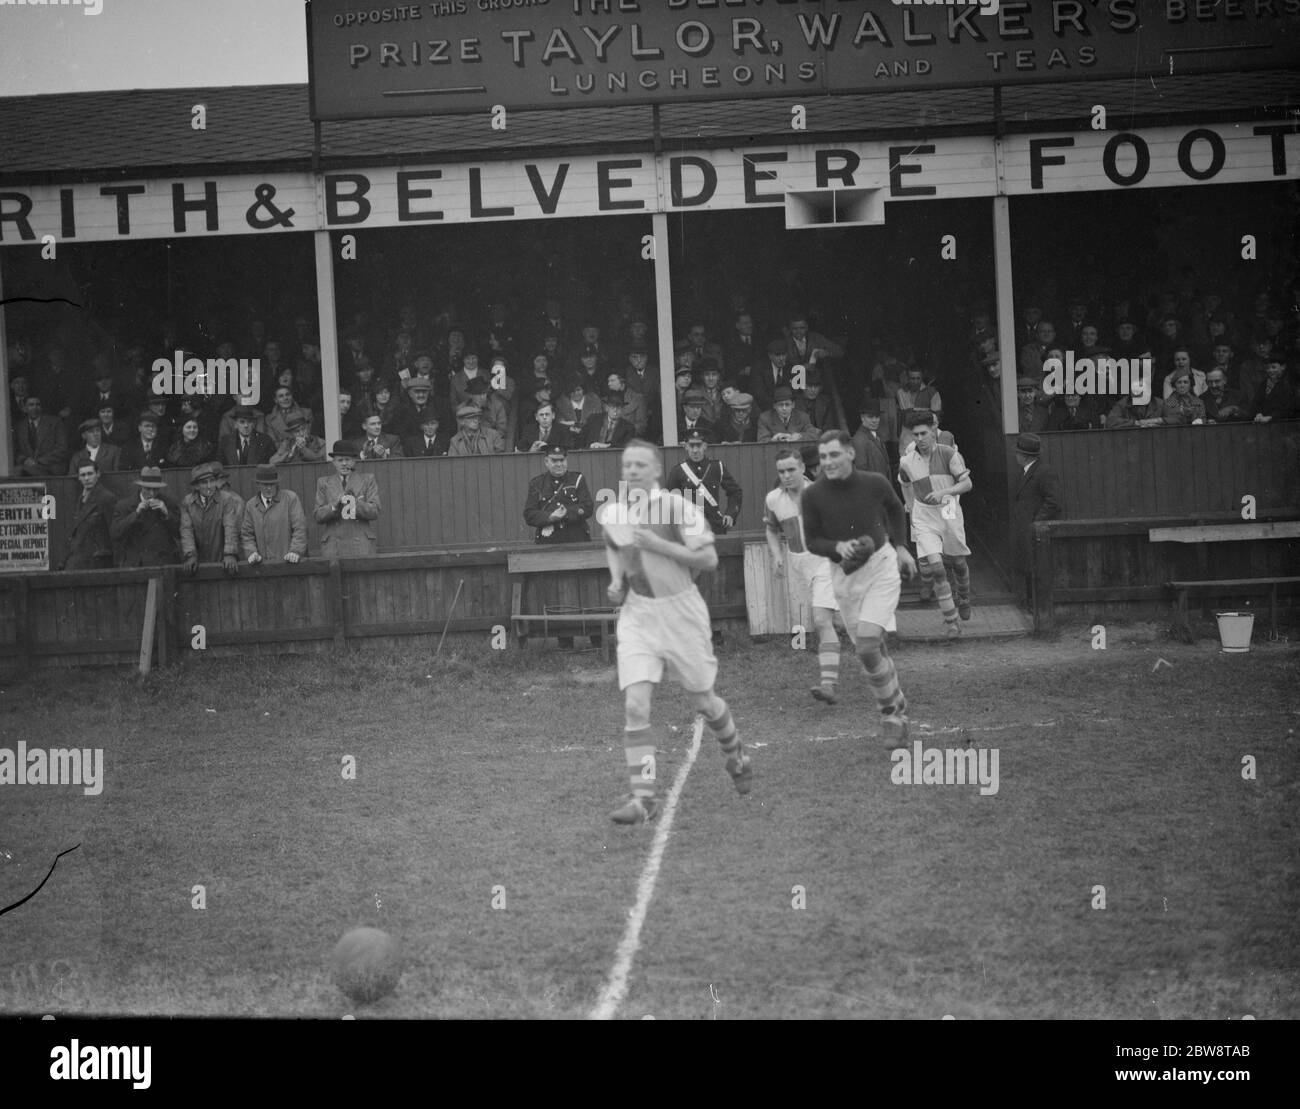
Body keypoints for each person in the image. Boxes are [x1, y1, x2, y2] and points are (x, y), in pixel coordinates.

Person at [599, 440, 751, 824]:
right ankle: (644, 796)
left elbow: (709, 559)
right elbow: (614, 546)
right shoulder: (614, 512)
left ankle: (735, 752)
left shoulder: (676, 507)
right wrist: (617, 581)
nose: (632, 471)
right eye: (627, 465)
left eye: (640, 465)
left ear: (655, 470)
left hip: (681, 613)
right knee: (635, 704)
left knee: (705, 702)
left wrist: (658, 546)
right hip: (638, 616)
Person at [801, 430, 916, 743]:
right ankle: (897, 702)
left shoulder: (874, 482)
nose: (828, 462)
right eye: (823, 457)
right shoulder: (812, 495)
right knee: (873, 649)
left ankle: (890, 713)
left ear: (850, 453)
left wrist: (902, 547)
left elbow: (894, 507)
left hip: (880, 567)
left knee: (866, 645)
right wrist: (839, 548)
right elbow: (812, 542)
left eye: (834, 455)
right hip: (844, 574)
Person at [764, 448, 843, 703]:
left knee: (820, 620)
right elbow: (771, 530)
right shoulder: (773, 499)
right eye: (781, 471)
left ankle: (828, 685)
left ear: (801, 468)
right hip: (799, 564)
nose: (786, 475)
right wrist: (777, 555)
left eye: (791, 470)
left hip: (824, 560)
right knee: (836, 621)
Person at [897, 411, 974, 635]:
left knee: (958, 562)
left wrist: (945, 492)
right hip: (924, 515)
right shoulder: (907, 460)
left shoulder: (949, 453)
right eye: (915, 435)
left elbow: (967, 483)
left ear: (933, 431)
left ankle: (964, 597)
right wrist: (910, 505)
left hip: (949, 506)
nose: (919, 439)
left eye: (923, 433)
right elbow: (904, 482)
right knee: (937, 568)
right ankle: (951, 622)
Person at [1009, 433, 1062, 607]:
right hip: (1025, 528)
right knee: (1027, 565)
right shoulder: (1025, 472)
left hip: (1035, 530)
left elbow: (1053, 502)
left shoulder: (1044, 472)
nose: (1016, 455)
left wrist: (1036, 522)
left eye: (1018, 452)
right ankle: (1030, 604)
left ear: (1025, 455)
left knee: (1036, 567)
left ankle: (1038, 606)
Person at [665, 430, 742, 535]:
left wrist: (730, 514)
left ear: (705, 446)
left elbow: (735, 492)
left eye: (699, 445)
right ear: (686, 446)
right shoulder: (678, 471)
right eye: (691, 446)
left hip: (714, 527)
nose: (695, 450)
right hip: (689, 529)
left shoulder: (716, 467)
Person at [314, 440, 381, 557]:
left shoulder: (367, 480)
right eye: (340, 460)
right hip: (333, 546)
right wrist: (334, 505)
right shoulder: (323, 483)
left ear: (354, 461)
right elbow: (318, 516)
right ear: (334, 462)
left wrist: (355, 503)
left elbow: (375, 511)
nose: (344, 463)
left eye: (348, 460)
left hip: (361, 544)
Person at [110, 465, 181, 567]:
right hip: (136, 565)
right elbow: (115, 534)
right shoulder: (124, 506)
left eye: (156, 489)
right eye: (148, 489)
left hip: (163, 564)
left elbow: (180, 533)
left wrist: (167, 513)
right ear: (141, 486)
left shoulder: (169, 503)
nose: (152, 493)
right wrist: (136, 513)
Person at [180, 461, 242, 575]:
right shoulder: (187, 503)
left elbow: (230, 526)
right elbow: (186, 530)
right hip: (198, 563)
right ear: (196, 486)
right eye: (204, 482)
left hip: (222, 560)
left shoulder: (226, 500)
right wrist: (191, 555)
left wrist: (230, 554)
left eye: (212, 481)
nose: (209, 486)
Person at [241, 464, 308, 565]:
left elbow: (300, 528)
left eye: (272, 484)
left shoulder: (290, 499)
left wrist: (295, 551)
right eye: (265, 485)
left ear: (277, 483)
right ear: (258, 484)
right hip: (262, 566)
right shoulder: (251, 505)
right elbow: (247, 534)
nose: (269, 488)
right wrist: (251, 553)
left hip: (289, 563)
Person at [60, 460, 116, 570]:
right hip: (79, 561)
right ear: (79, 478)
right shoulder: (81, 498)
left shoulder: (107, 498)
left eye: (90, 474)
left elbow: (114, 533)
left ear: (98, 474)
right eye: (83, 475)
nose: (86, 478)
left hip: (97, 563)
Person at [14, 394, 71, 476]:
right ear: (24, 408)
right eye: (31, 405)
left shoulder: (55, 422)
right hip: (28, 467)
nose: (35, 408)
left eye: (38, 405)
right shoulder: (19, 426)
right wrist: (24, 460)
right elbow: (15, 451)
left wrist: (38, 461)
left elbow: (63, 448)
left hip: (50, 467)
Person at [851, 398, 891, 477]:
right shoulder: (859, 440)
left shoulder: (876, 435)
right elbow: (862, 472)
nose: (874, 420)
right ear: (862, 418)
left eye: (877, 416)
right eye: (870, 417)